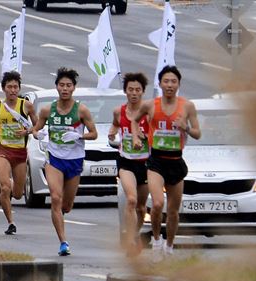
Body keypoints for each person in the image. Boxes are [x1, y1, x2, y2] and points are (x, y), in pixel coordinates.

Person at [131, 65, 201, 259]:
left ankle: (169, 246)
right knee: (158, 203)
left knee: (173, 212)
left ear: (178, 84)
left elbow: (197, 133)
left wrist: (185, 127)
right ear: (160, 84)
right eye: (166, 81)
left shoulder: (187, 106)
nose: (170, 85)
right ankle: (156, 240)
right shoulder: (150, 105)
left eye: (173, 82)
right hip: (157, 161)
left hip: (176, 161)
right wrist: (136, 138)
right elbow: (134, 120)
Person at [32, 67, 98, 256]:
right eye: (62, 85)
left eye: (68, 85)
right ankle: (63, 242)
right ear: (57, 87)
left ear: (74, 88)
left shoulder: (81, 110)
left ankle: (60, 214)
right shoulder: (47, 110)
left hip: (74, 160)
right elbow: (36, 131)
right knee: (55, 198)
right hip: (54, 159)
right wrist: (40, 134)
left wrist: (79, 136)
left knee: (66, 206)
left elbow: (94, 134)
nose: (65, 89)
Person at [0, 71, 38, 235]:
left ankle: (13, 184)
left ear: (19, 89)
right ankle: (11, 222)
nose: (12, 90)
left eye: (15, 87)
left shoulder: (26, 106)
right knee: (4, 188)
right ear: (4, 89)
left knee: (18, 194)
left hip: (20, 153)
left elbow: (37, 127)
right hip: (3, 151)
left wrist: (27, 132)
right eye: (9, 87)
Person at [108, 72, 150, 257]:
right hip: (126, 162)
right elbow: (115, 125)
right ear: (125, 91)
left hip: (146, 163)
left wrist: (144, 137)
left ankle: (136, 233)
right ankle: (131, 240)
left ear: (143, 92)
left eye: (138, 90)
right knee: (131, 200)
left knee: (141, 207)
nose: (134, 93)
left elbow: (157, 135)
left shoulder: (149, 114)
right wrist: (112, 133)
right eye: (130, 89)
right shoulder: (119, 111)